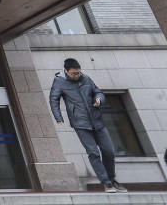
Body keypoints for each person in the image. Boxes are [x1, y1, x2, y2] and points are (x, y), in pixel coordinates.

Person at [49, 58, 127, 193]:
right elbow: (54, 99)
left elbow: (98, 92)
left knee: (109, 151)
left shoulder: (86, 79)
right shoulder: (59, 81)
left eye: (78, 72)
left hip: (97, 121)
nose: (77, 75)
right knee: (93, 153)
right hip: (80, 124)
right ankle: (106, 183)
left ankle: (113, 179)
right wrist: (58, 117)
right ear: (66, 71)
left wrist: (99, 99)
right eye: (74, 73)